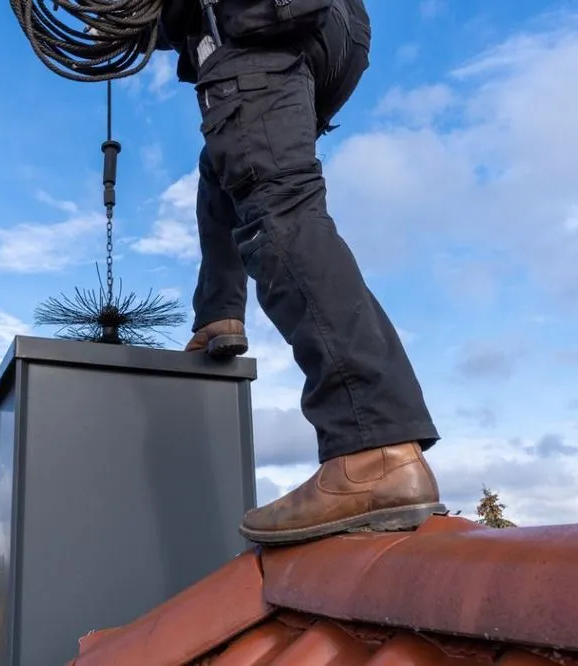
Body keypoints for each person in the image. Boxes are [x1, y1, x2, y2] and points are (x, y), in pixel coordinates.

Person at [157, 0, 446, 545]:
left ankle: (374, 449)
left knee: (277, 206)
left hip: (251, 21)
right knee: (225, 162)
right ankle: (219, 312)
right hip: (332, 29)